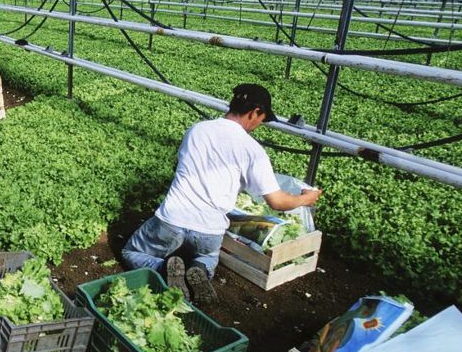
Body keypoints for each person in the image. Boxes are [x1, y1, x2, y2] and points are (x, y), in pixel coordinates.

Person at [121, 83, 322, 304]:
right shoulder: (253, 150)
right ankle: (201, 269)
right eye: (262, 119)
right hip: (209, 231)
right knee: (207, 256)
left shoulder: (197, 130)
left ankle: (161, 268)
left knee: (134, 253)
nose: (259, 124)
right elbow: (277, 201)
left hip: (172, 220)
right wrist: (306, 198)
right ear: (254, 112)